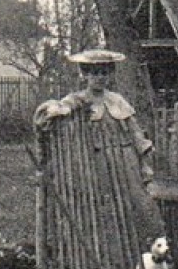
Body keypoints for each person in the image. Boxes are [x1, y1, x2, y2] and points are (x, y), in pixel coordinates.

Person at [33, 48, 154, 182]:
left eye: (104, 73)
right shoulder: (77, 99)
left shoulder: (117, 100)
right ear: (85, 75)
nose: (100, 77)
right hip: (92, 163)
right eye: (95, 73)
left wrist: (145, 165)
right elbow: (54, 113)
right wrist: (57, 109)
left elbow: (136, 133)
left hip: (123, 162)